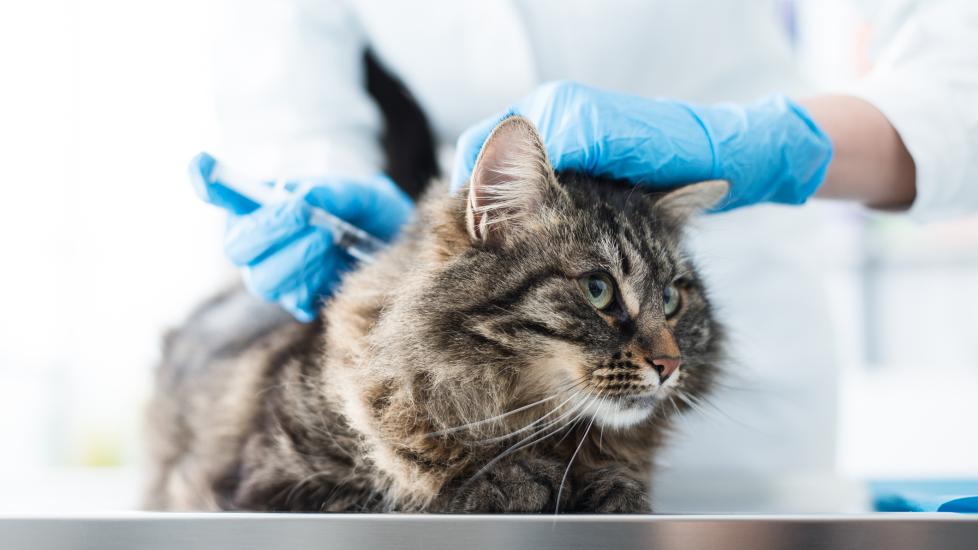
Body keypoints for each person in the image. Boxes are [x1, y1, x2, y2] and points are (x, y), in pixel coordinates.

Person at [211, 0, 978, 511]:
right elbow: (293, 97)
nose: (660, 350)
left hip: (737, 301)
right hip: (495, 236)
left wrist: (774, 146)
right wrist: (326, 190)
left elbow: (960, 79)